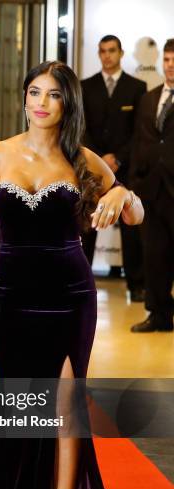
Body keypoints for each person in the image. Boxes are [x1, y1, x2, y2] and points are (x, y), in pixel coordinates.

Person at [0, 61, 143, 489]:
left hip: (69, 297)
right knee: (17, 410)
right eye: (33, 91)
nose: (40, 103)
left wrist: (122, 194)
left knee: (63, 406)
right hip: (9, 300)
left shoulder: (82, 160)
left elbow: (135, 214)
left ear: (67, 104)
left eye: (52, 95)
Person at [81, 35, 146, 302]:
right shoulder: (86, 86)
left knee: (131, 230)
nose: (107, 56)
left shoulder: (136, 86)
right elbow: (80, 128)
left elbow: (140, 131)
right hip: (92, 170)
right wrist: (98, 160)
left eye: (111, 51)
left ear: (121, 53)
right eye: (102, 51)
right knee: (87, 224)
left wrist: (118, 158)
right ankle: (82, 280)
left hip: (126, 167)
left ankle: (137, 284)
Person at [130, 39, 174, 332]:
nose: (170, 65)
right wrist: (135, 183)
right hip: (151, 190)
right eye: (168, 60)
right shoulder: (149, 98)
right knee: (154, 255)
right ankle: (158, 315)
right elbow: (140, 143)